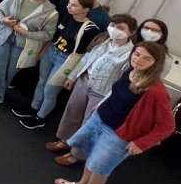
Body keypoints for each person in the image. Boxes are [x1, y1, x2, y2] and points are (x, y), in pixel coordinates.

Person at [55, 41, 174, 184]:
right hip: (100, 119)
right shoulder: (131, 71)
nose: (138, 59)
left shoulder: (156, 91)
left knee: (100, 167)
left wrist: (141, 143)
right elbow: (116, 93)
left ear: (156, 64)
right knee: (92, 157)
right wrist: (102, 104)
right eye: (137, 54)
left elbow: (167, 126)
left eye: (147, 58)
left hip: (118, 133)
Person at [46, 14, 138, 166]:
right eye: (113, 25)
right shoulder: (103, 41)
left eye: (121, 28)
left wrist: (106, 100)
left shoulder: (130, 54)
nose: (115, 30)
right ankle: (65, 140)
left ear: (131, 32)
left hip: (102, 91)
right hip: (84, 80)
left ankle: (76, 154)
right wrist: (73, 76)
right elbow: (86, 59)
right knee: (72, 112)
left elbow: (122, 82)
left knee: (88, 123)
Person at [14, 0, 101, 129]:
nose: (68, 7)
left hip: (66, 59)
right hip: (52, 51)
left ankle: (40, 117)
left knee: (50, 90)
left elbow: (87, 55)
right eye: (69, 3)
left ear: (85, 9)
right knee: (41, 81)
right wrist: (43, 50)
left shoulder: (90, 30)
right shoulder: (66, 17)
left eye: (74, 5)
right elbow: (55, 36)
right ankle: (33, 108)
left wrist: (73, 75)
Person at [0, 0, 59, 104]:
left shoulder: (51, 12)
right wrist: (4, 20)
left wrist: (26, 33)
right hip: (5, 35)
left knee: (10, 70)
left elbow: (48, 35)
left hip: (23, 44)